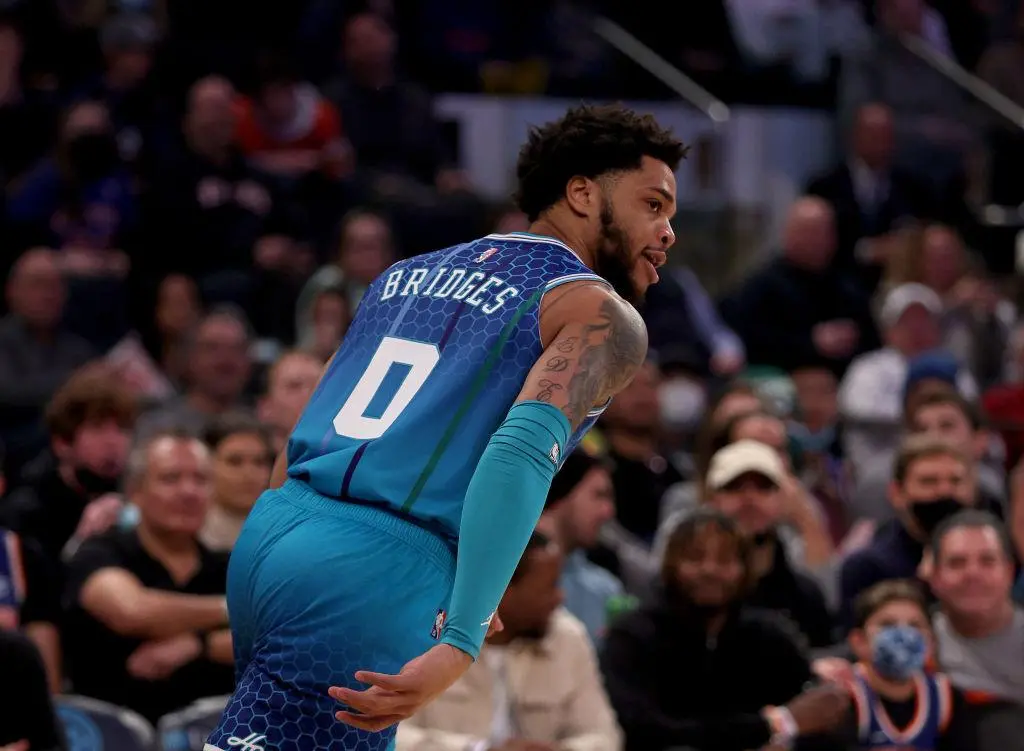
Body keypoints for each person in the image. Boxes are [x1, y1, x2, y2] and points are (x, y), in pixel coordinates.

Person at [205, 103, 688, 751]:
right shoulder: (598, 312)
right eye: (653, 205)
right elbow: (518, 454)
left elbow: (301, 429)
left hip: (274, 534)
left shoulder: (405, 274)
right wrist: (463, 636)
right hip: (374, 567)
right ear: (580, 193)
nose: (668, 232)